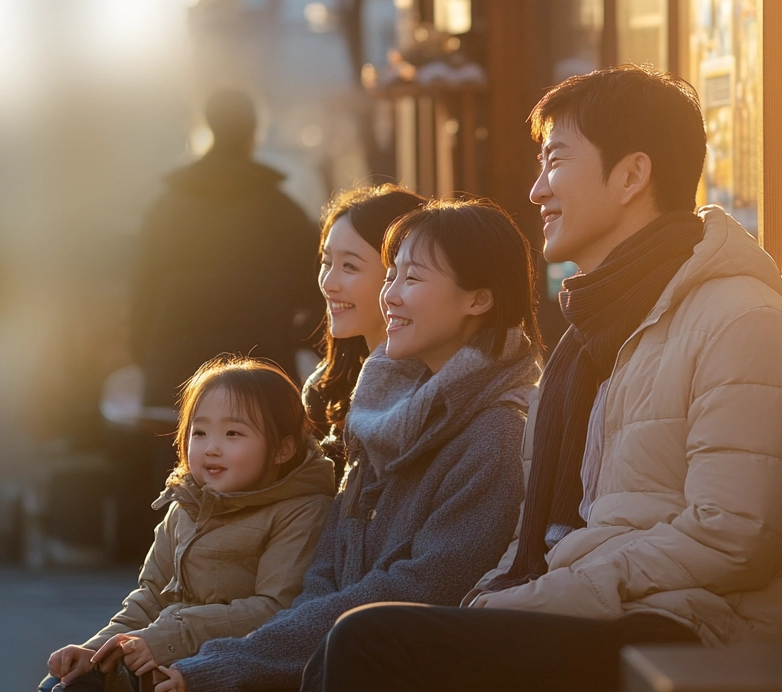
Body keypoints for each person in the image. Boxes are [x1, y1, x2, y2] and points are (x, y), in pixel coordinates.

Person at [305, 64, 782, 691]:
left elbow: (734, 536)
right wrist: (497, 594)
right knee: (346, 642)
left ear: (631, 175)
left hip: (704, 631)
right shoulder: (592, 338)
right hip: (616, 612)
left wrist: (550, 594)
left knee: (369, 643)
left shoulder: (741, 323)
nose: (536, 190)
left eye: (555, 162)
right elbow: (528, 540)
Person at [152, 199, 543, 692]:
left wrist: (220, 664)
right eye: (390, 276)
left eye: (412, 279)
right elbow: (325, 574)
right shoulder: (381, 415)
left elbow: (418, 590)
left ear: (478, 299)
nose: (390, 297)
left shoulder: (496, 435)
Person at [40, 356, 336, 692]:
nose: (212, 448)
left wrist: (168, 636)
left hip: (226, 668)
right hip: (160, 654)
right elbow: (150, 595)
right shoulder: (185, 506)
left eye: (233, 433)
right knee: (63, 681)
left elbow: (273, 609)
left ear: (282, 449)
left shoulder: (301, 511)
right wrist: (94, 651)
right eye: (200, 431)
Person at [130, 88, 320, 413]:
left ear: (206, 128)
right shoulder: (282, 210)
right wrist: (293, 342)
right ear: (254, 132)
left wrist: (147, 357)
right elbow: (318, 292)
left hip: (175, 379)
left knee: (181, 459)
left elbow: (141, 296)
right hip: (261, 377)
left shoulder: (163, 210)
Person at [304, 184, 426, 475]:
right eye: (326, 262)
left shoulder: (439, 393)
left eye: (349, 266)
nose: (329, 283)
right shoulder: (324, 390)